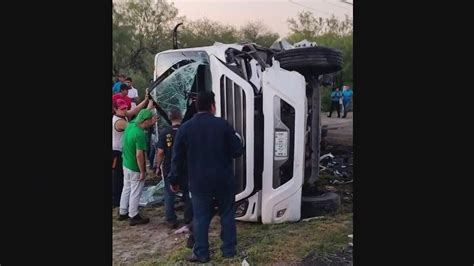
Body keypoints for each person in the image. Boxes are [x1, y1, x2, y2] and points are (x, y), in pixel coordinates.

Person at [170, 91, 244, 263]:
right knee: (227, 214)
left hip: (199, 182)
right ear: (213, 106)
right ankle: (228, 250)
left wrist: (174, 180)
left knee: (201, 216)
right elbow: (237, 150)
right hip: (223, 180)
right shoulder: (223, 125)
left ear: (196, 107)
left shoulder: (185, 128)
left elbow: (177, 157)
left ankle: (201, 253)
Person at [119, 109, 158, 226]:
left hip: (126, 162)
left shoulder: (131, 125)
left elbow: (142, 114)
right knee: (136, 191)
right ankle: (133, 215)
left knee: (127, 188)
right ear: (145, 121)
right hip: (135, 167)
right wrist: (142, 171)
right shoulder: (140, 134)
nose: (152, 121)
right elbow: (139, 155)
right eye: (151, 120)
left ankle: (123, 211)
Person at [155, 107, 193, 229]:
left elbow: (160, 152)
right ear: (181, 116)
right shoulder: (187, 130)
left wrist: (157, 166)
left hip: (169, 167)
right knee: (188, 193)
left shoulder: (164, 132)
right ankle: (188, 217)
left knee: (169, 193)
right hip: (186, 166)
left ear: (170, 118)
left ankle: (171, 219)